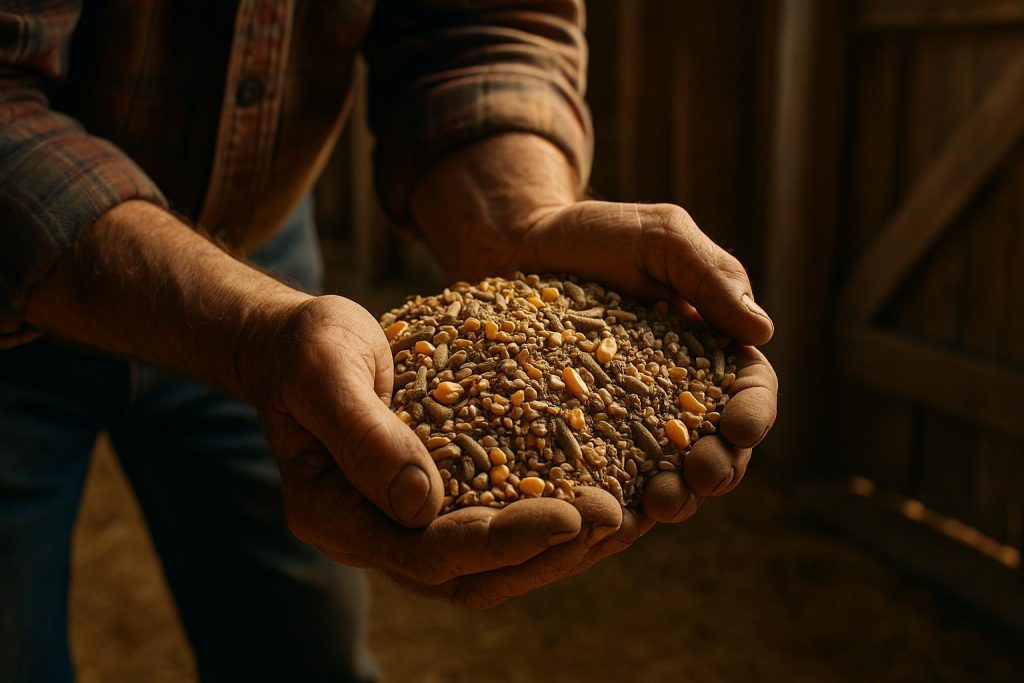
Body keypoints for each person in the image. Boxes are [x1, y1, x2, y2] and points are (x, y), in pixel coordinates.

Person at [0, 1, 779, 681]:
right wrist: (249, 332)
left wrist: (516, 219)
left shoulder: (308, 344)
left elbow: (479, 24)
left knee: (307, 652)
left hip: (266, 274)